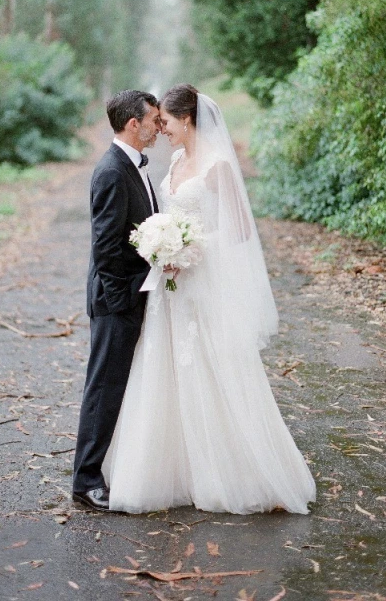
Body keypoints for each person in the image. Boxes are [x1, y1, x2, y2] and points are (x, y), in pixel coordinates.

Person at [102, 84, 316, 514]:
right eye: (156, 121)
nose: (160, 129)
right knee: (166, 369)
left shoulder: (218, 165)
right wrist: (162, 245)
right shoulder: (178, 160)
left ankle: (230, 471)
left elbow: (239, 232)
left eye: (165, 121)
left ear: (187, 120)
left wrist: (189, 249)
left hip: (200, 282)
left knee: (211, 368)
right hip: (169, 289)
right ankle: (170, 471)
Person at [72, 90, 160, 512]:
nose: (158, 127)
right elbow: (105, 247)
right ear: (133, 124)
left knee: (115, 386)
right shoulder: (111, 171)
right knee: (103, 388)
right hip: (115, 302)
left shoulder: (135, 166)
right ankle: (86, 480)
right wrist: (121, 299)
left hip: (132, 295)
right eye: (154, 120)